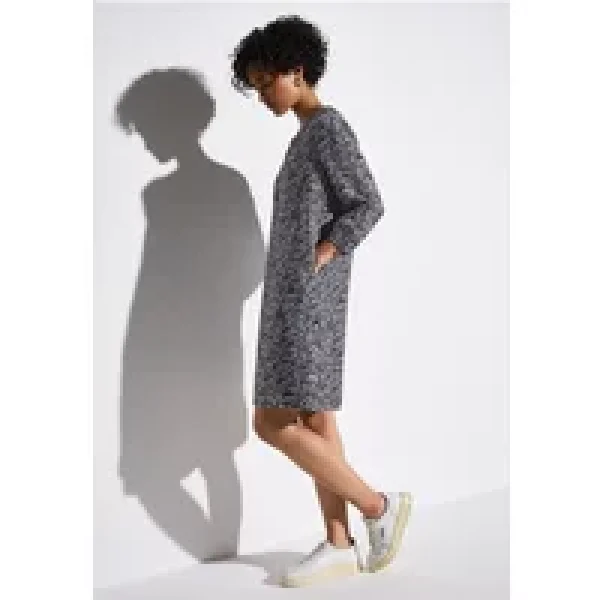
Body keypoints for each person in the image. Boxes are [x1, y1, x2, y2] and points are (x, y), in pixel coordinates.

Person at [230, 14, 413, 586]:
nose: (264, 96)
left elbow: (368, 202)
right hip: (292, 294)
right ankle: (338, 543)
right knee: (313, 417)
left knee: (270, 421)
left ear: (297, 70)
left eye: (267, 83)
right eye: (256, 87)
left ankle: (378, 507)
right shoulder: (305, 137)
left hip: (308, 299)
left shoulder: (328, 129)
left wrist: (328, 248)